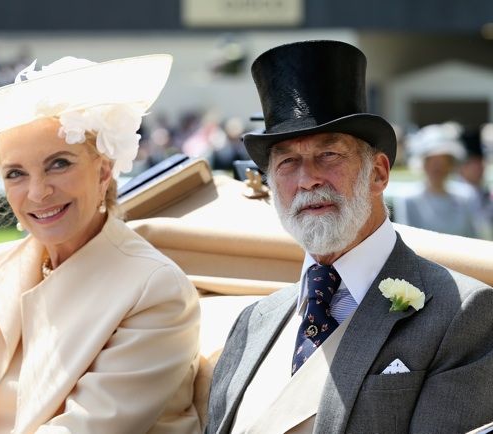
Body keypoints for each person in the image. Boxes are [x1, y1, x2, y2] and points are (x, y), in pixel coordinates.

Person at [0, 55, 201, 434]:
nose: (38, 192)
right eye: (16, 173)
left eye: (59, 164)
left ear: (103, 170)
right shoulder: (3, 265)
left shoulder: (153, 287)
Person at [204, 40, 493, 433]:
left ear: (378, 173)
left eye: (329, 155)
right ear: (271, 185)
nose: (308, 179)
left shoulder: (462, 313)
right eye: (288, 162)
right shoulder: (254, 321)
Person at [394, 122, 476, 238]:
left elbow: (473, 238)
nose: (438, 167)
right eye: (433, 161)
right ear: (423, 163)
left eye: (444, 161)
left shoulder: (466, 196)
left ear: (451, 164)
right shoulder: (408, 198)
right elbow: (408, 240)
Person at [456, 128, 493, 240]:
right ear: (462, 166)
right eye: (473, 163)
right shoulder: (455, 194)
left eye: (480, 162)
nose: (479, 167)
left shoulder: (486, 194)